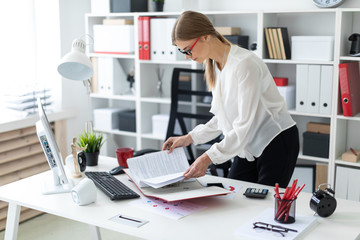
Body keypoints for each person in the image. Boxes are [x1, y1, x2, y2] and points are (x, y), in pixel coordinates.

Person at [162, 11, 299, 188]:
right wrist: (189, 138)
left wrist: (207, 157)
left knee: (262, 206)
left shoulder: (244, 64)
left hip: (274, 141)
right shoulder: (216, 64)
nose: (187, 56)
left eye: (188, 49)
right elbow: (224, 117)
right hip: (246, 144)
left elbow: (243, 125)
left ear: (205, 37)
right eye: (183, 51)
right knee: (233, 198)